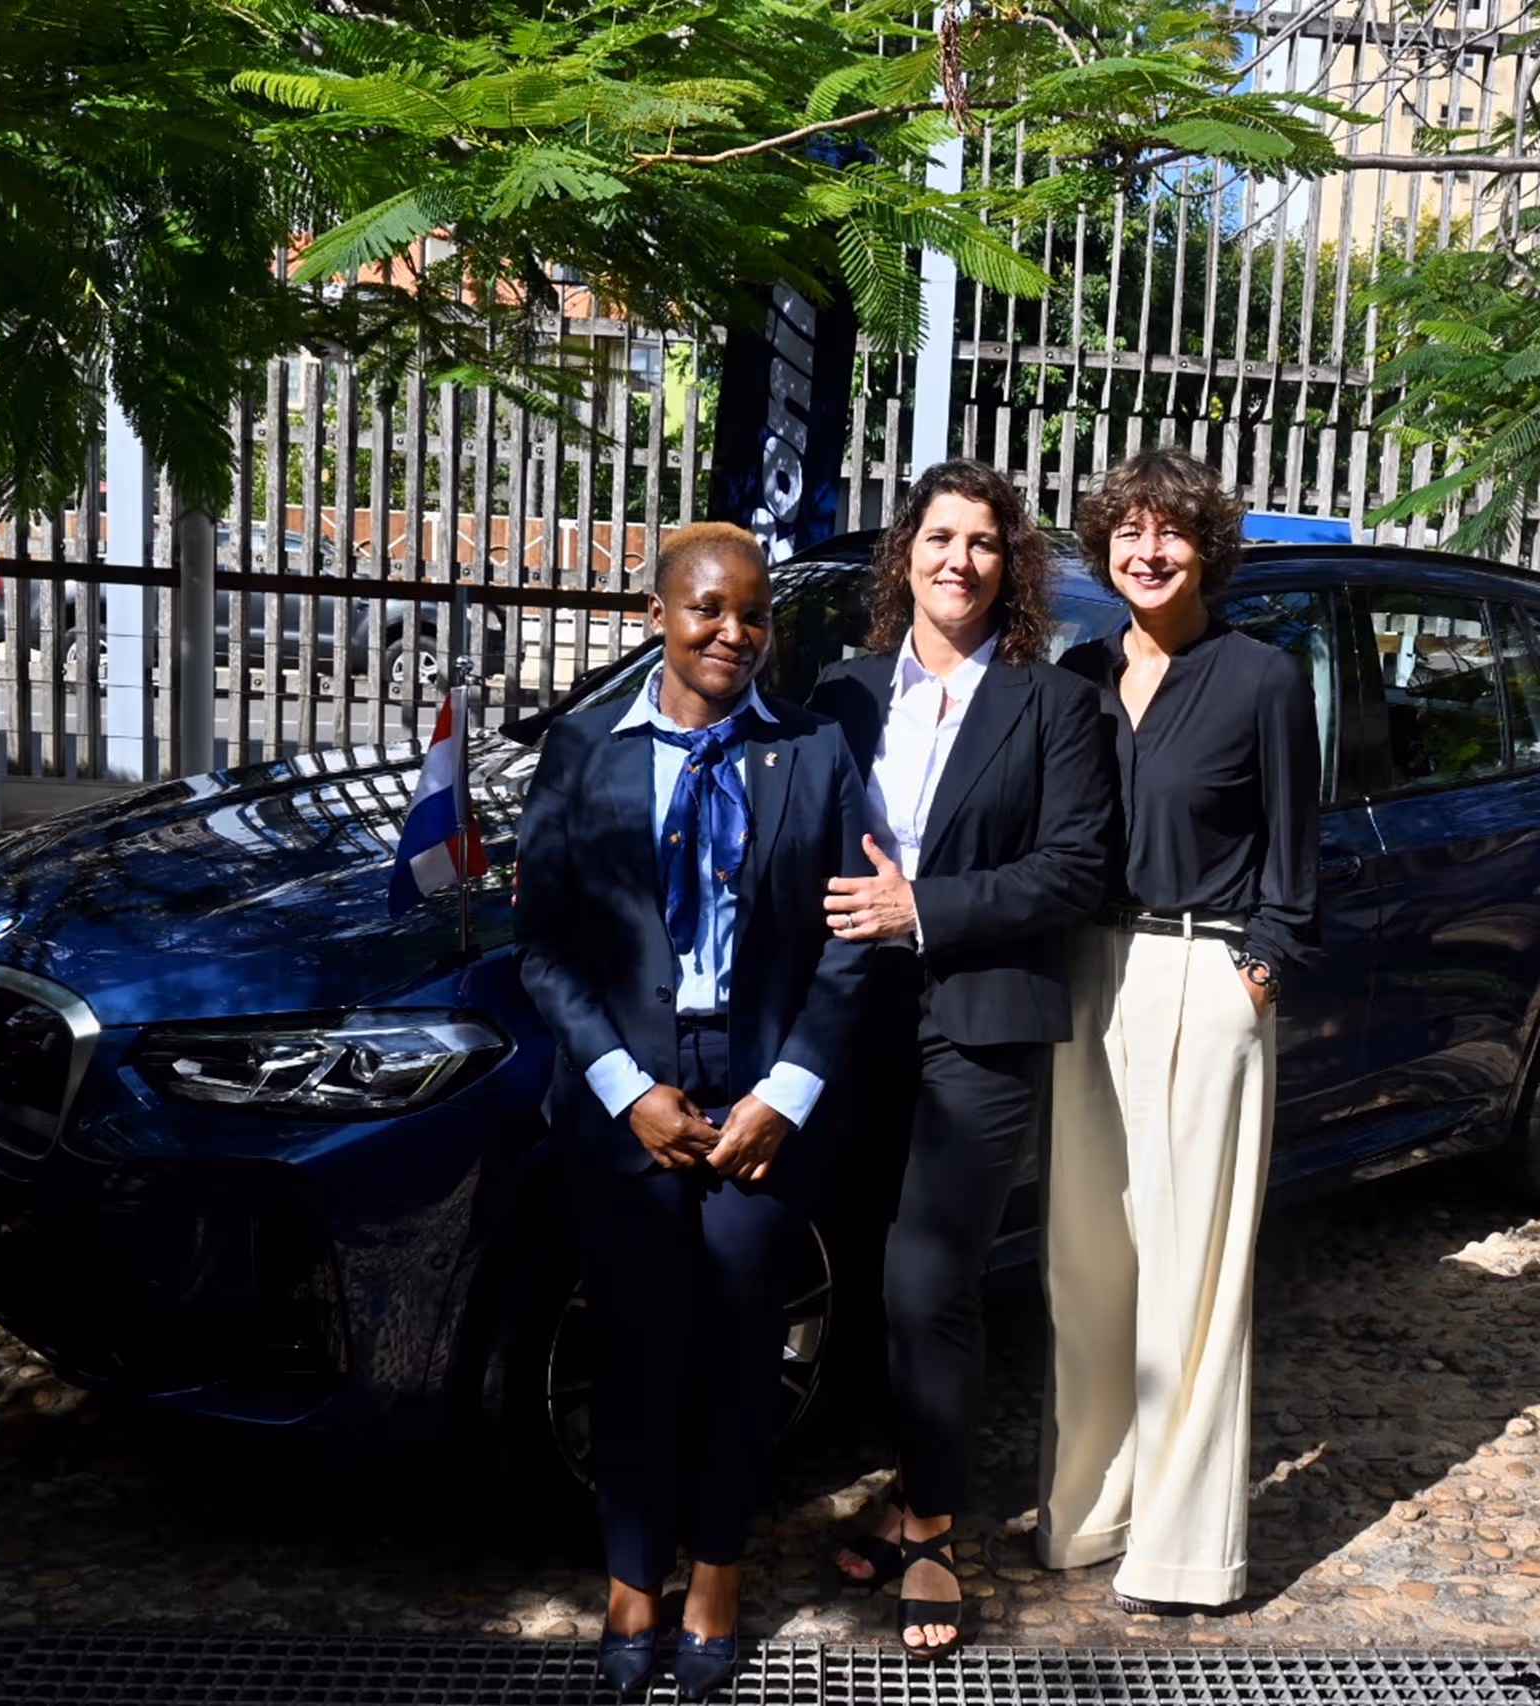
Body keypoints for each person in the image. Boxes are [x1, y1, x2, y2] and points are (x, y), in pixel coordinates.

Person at [513, 522, 875, 1701]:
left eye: (753, 614)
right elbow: (545, 946)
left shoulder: (813, 750)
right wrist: (626, 1089)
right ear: (657, 616)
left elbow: (850, 940)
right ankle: (632, 1585)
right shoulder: (584, 750)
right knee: (635, 1351)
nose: (733, 632)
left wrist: (788, 1091)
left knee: (741, 1353)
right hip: (630, 1091)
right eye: (707, 609)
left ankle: (715, 1578)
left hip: (763, 1093)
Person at [808, 460, 1115, 1659]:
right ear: (905, 554)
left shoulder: (1051, 704)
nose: (960, 560)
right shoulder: (841, 693)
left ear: (1012, 565)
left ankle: (933, 1524)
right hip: (852, 1018)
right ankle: (895, 1485)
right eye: (940, 537)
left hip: (982, 1015)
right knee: (858, 1269)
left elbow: (1075, 867)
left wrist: (920, 907)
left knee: (930, 1281)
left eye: (985, 542)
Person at [1035, 447, 1320, 1615]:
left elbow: (1295, 859)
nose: (1147, 551)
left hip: (1206, 972)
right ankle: (1091, 1506)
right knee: (1086, 1261)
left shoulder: (1262, 678)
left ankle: (1183, 1547)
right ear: (1103, 544)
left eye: (1171, 532)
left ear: (1206, 548)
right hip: (1088, 973)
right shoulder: (1081, 673)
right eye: (1128, 531)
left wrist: (1256, 971)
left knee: (1192, 1271)